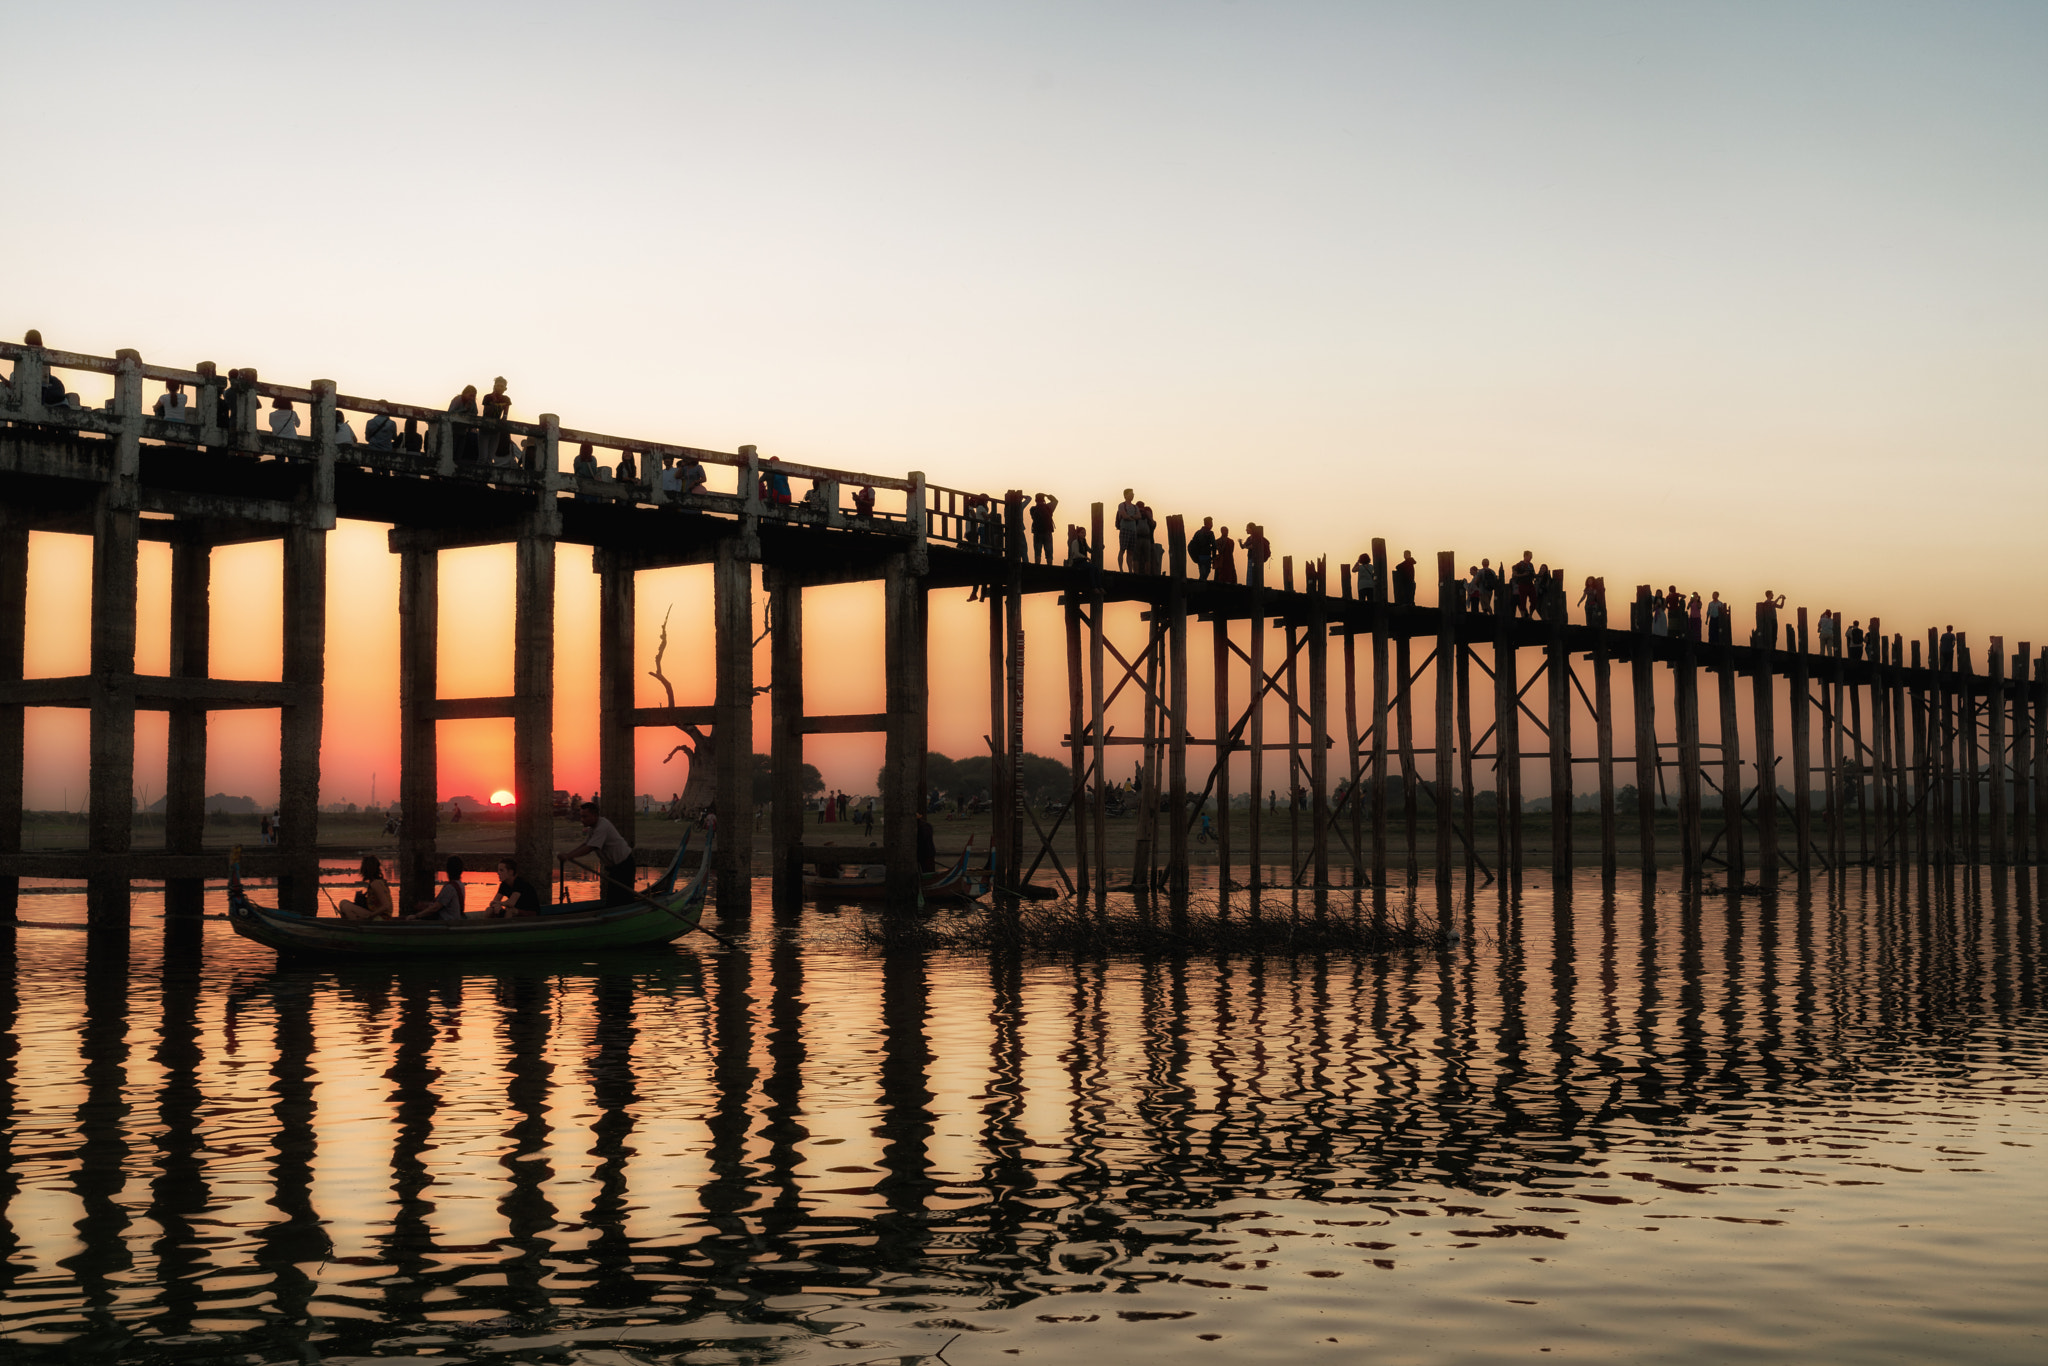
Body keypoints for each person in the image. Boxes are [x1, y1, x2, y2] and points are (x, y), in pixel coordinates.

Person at [563, 801, 636, 907]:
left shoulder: (602, 826)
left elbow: (590, 848)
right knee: (613, 901)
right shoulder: (593, 828)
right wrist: (568, 854)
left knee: (623, 901)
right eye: (581, 816)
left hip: (624, 866)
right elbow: (586, 844)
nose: (582, 819)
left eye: (585, 816)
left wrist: (569, 856)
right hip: (615, 868)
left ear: (594, 815)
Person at [405, 856, 466, 921]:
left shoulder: (450, 888)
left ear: (448, 870)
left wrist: (416, 916)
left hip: (446, 921)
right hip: (452, 919)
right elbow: (442, 903)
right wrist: (426, 905)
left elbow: (436, 907)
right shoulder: (460, 885)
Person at [336, 855, 393, 920]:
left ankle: (357, 925)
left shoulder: (376, 883)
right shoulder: (377, 882)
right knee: (343, 902)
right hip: (375, 914)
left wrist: (371, 915)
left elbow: (386, 905)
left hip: (381, 918)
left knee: (347, 907)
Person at [481, 376, 512, 463]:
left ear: (505, 388)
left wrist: (504, 418)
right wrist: (493, 402)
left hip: (496, 430)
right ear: (494, 386)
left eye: (501, 386)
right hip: (485, 428)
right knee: (483, 456)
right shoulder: (487, 397)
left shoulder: (506, 399)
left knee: (490, 456)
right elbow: (486, 413)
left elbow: (505, 414)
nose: (499, 388)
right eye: (498, 385)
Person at [448, 384, 480, 462]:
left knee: (459, 456)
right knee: (451, 454)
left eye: (474, 396)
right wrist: (464, 409)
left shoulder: (473, 402)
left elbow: (475, 414)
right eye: (470, 395)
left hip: (463, 432)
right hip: (452, 431)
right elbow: (450, 414)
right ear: (465, 393)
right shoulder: (457, 400)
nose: (472, 398)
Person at [1114, 489, 1140, 571]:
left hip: (1133, 530)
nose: (1132, 495)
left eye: (1133, 494)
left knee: (1130, 552)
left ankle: (1130, 570)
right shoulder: (1121, 505)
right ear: (1125, 495)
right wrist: (1133, 517)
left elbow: (1139, 516)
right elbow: (1124, 516)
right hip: (1124, 529)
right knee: (1122, 549)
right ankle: (1121, 569)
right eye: (1130, 494)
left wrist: (1130, 517)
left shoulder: (1135, 507)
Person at [1030, 492, 1059, 564]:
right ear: (1043, 499)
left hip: (1037, 532)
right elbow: (1055, 501)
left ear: (1036, 500)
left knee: (1037, 552)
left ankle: (1037, 567)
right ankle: (1049, 568)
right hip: (1048, 532)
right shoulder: (1049, 507)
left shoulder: (1032, 509)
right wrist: (1047, 495)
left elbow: (1033, 517)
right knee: (1049, 552)